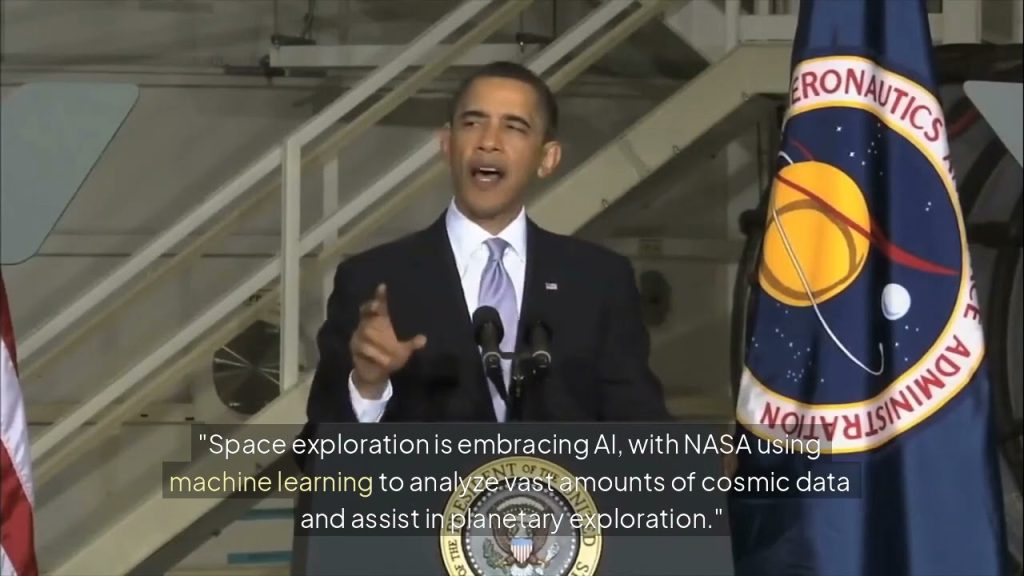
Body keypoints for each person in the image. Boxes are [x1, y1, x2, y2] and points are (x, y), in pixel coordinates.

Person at [303, 61, 669, 428]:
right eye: (472, 123)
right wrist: (368, 387)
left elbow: (640, 423)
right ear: (447, 144)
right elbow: (318, 444)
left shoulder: (599, 280)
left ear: (547, 158)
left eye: (514, 127)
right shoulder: (371, 280)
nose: (489, 141)